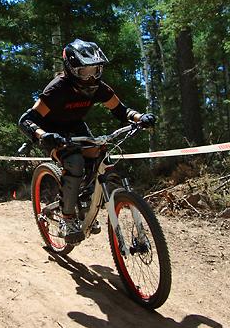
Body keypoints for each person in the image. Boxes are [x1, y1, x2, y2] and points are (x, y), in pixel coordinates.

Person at [18, 38, 155, 243]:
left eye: (96, 70)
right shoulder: (58, 89)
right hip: (53, 132)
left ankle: (86, 204)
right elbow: (27, 119)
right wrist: (43, 136)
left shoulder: (99, 88)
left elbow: (122, 111)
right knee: (74, 162)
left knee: (99, 156)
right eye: (85, 71)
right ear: (72, 69)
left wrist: (140, 118)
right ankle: (67, 217)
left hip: (76, 127)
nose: (91, 77)